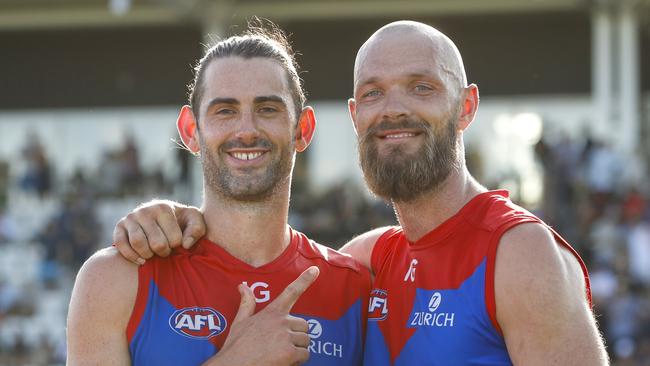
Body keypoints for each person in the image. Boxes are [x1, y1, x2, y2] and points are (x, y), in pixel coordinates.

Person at [113, 21, 609, 365]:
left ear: (466, 106)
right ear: (354, 116)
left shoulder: (521, 254)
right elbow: (251, 244)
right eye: (373, 93)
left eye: (422, 87)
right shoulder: (366, 263)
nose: (393, 109)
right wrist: (172, 217)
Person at [67, 23, 370, 366]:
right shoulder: (116, 278)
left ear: (303, 129)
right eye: (224, 110)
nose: (246, 130)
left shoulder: (354, 289)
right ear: (191, 131)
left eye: (267, 109)